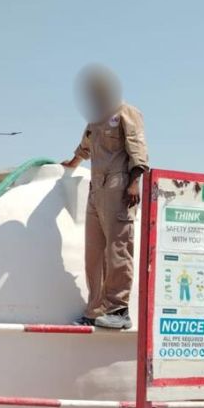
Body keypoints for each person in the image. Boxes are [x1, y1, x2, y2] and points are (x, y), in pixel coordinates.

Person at [61, 65, 149, 329]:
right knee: (94, 254)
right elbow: (85, 148)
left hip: (118, 187)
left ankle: (119, 309)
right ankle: (95, 308)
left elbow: (138, 147)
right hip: (95, 192)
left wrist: (135, 182)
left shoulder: (126, 112)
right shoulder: (95, 119)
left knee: (118, 249)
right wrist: (71, 164)